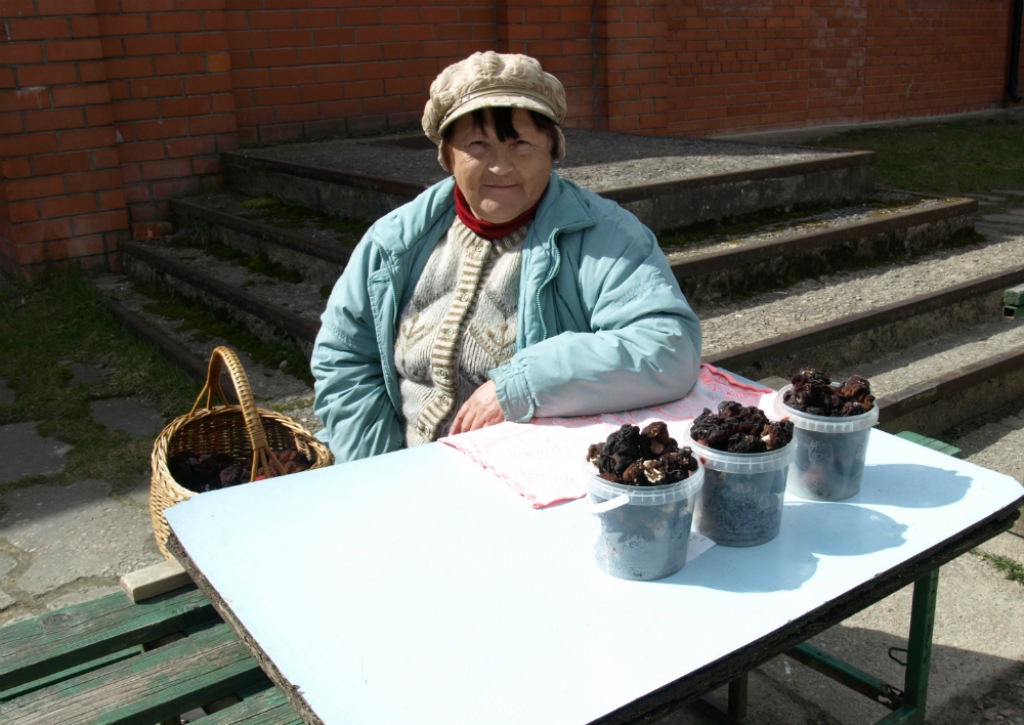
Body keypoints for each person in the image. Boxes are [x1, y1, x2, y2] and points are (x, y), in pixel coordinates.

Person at [312, 51, 702, 463]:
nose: (500, 166)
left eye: (520, 144)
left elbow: (668, 348)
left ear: (553, 149)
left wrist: (521, 384)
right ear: (447, 155)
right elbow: (345, 359)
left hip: (530, 481)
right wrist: (376, 469)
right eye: (478, 144)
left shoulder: (607, 236)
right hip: (404, 471)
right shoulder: (394, 241)